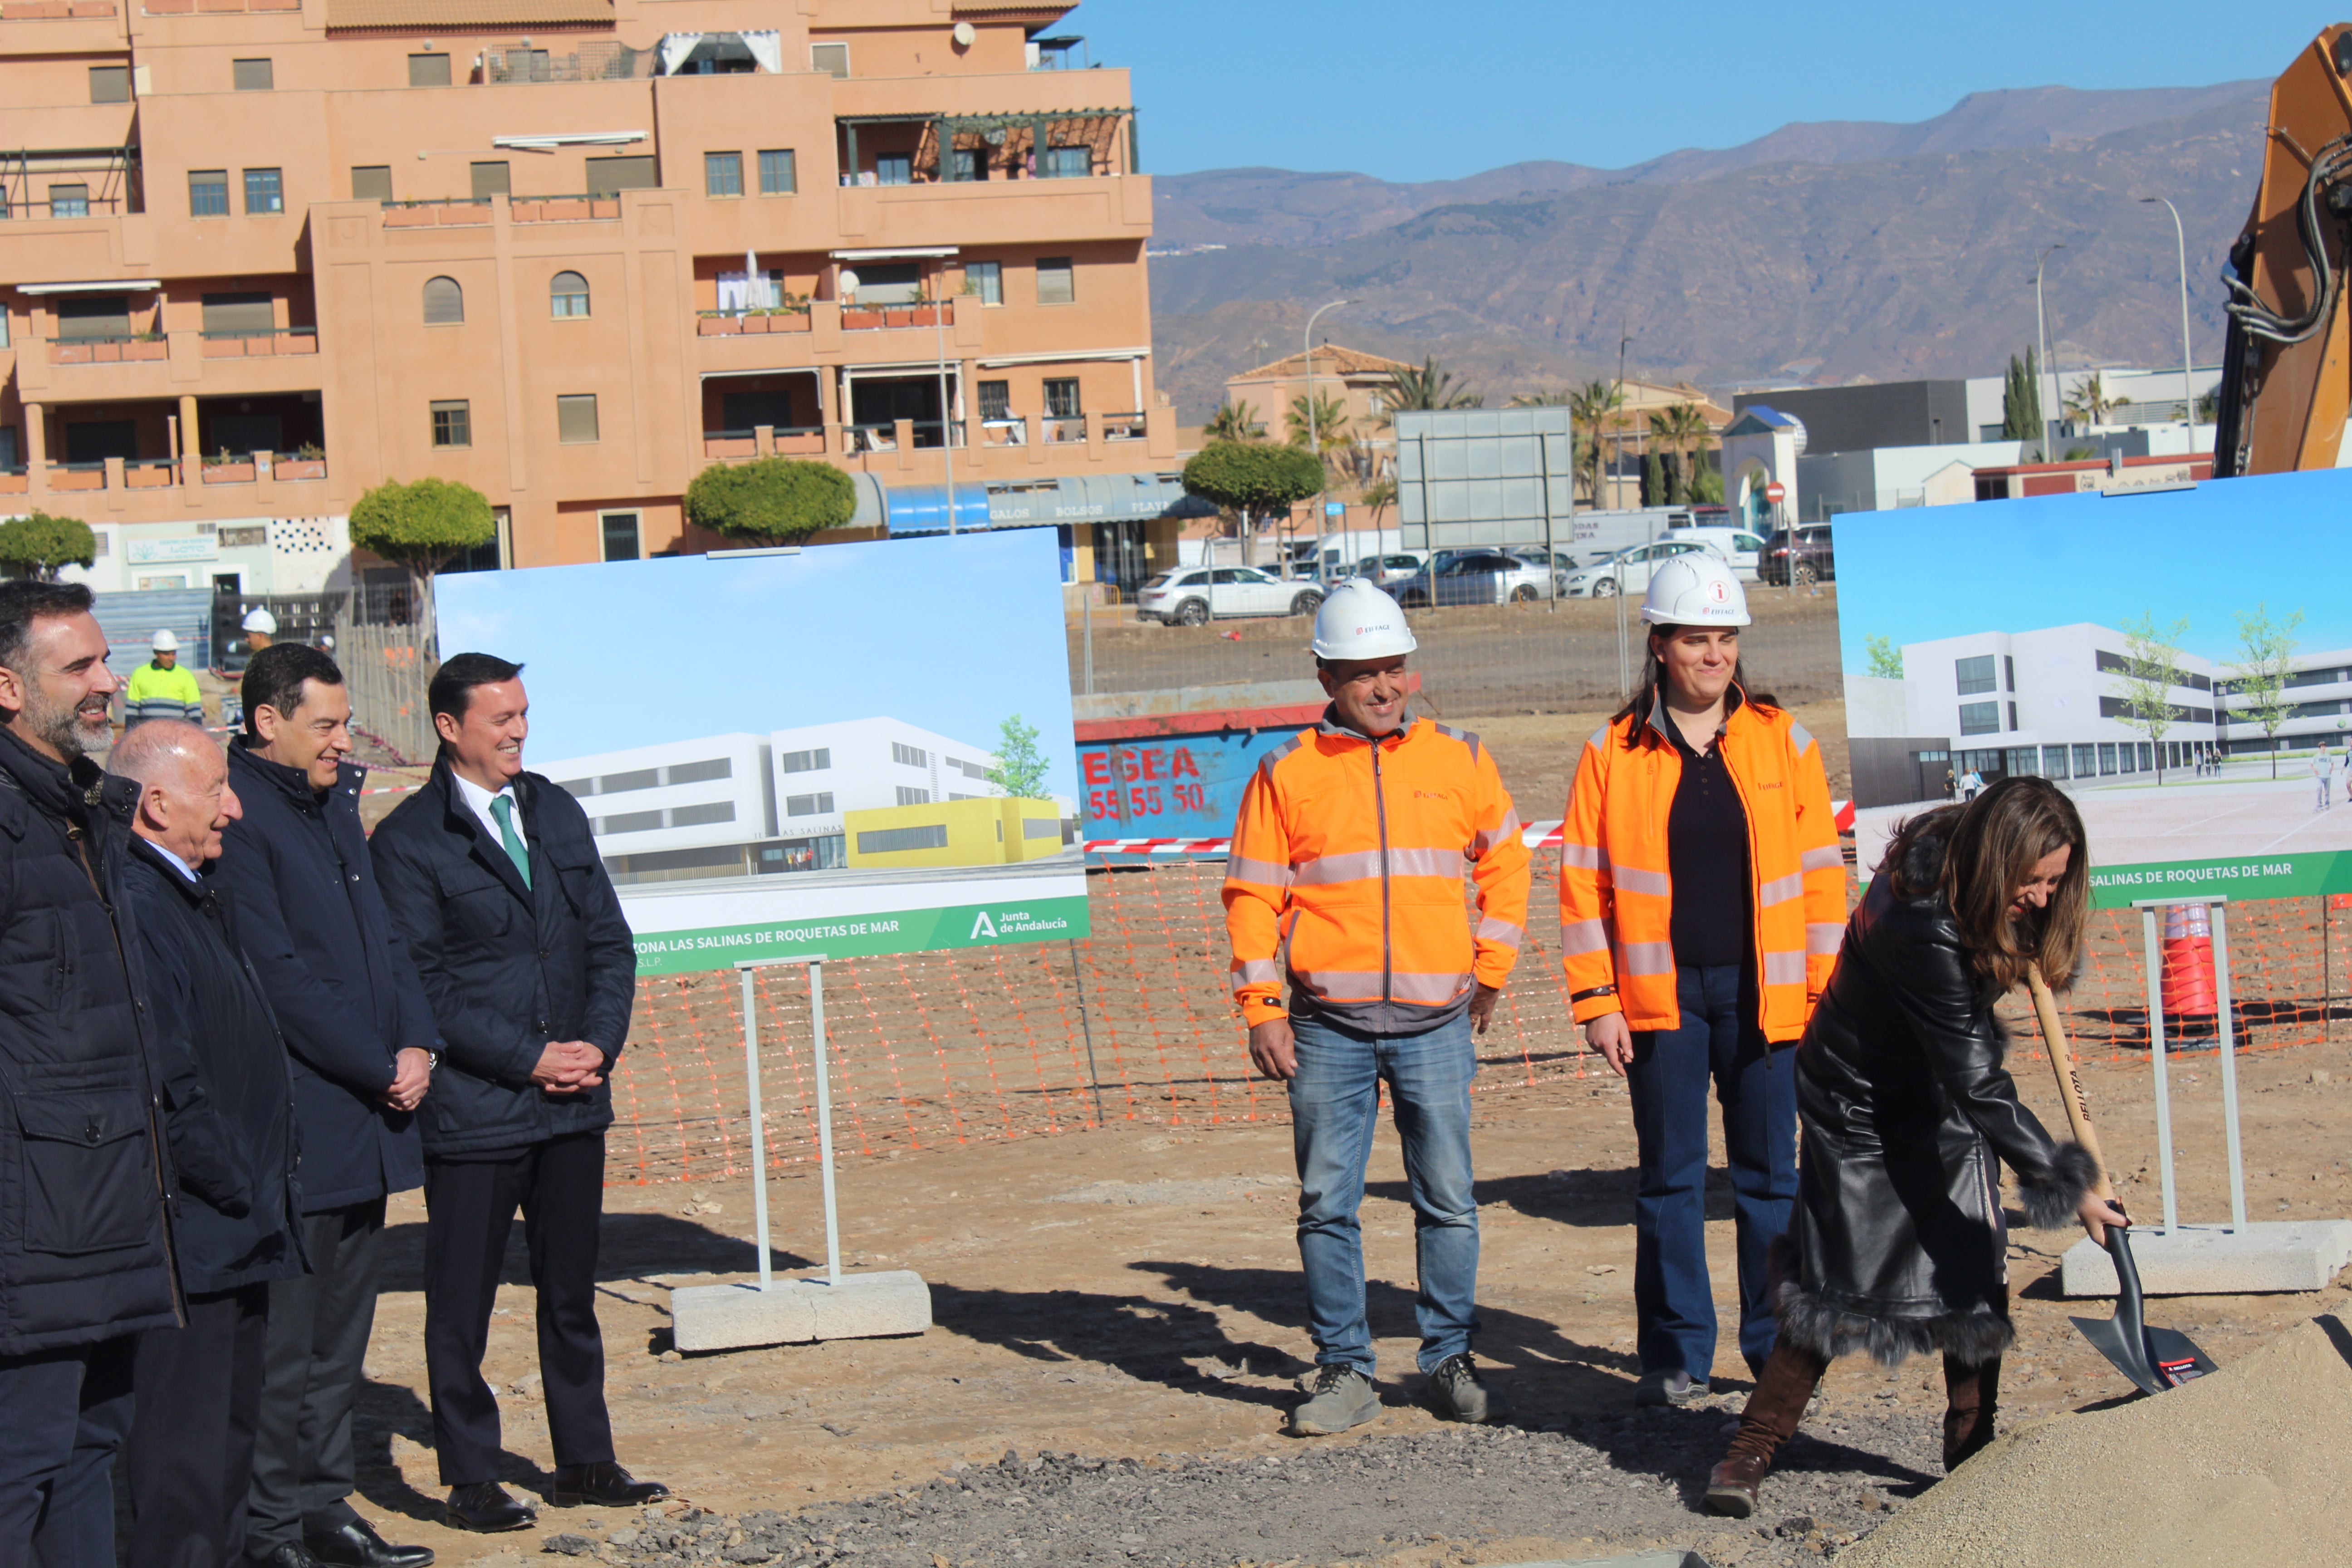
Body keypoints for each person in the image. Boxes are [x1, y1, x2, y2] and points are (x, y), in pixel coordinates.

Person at [1703, 777, 2125, 1518]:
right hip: (1857, 1104)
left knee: (1974, 1261)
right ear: (1997, 864)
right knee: (1832, 1281)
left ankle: (1972, 1459)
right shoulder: (1919, 918)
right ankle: (1746, 1453)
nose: (2041, 896)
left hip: (1938, 1087)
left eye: (2055, 881)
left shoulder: (1975, 860)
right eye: (2030, 882)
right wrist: (2069, 1183)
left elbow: (1965, 1069)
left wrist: (2032, 922)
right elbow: (1978, 1083)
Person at [1223, 581, 1532, 1436]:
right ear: (1325, 676)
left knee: (1448, 1199)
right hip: (1326, 1028)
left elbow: (1506, 865)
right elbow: (1251, 896)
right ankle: (1341, 1369)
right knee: (1326, 1204)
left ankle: (1445, 1359)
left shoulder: (1461, 759)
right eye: (1363, 673)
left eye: (1394, 668)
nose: (1384, 686)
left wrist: (1491, 968)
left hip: (1437, 1023)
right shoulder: (1284, 774)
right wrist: (1261, 1007)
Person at [370, 655, 667, 1531]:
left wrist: (594, 1048)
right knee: (460, 1305)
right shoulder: (409, 842)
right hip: (473, 1113)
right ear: (449, 726)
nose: (518, 730)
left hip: (574, 1102)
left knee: (570, 1292)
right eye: (499, 717)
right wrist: (528, 1058)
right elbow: (420, 985)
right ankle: (469, 1475)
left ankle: (583, 1459)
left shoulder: (556, 810)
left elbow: (610, 945)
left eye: (524, 713)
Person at [1559, 554, 1846, 1407]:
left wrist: (1820, 992)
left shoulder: (1781, 739)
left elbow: (1823, 876)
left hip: (1768, 1001)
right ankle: (1675, 1353)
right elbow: (1583, 884)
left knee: (1770, 1182)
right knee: (1670, 1181)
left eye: (1724, 638)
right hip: (1660, 1003)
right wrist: (1596, 1001)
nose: (1712, 655)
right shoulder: (1610, 752)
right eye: (1694, 638)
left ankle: (1774, 1351)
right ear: (1657, 646)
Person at [217, 642, 440, 1568]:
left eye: (344, 723)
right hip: (305, 1123)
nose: (344, 742)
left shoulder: (333, 807)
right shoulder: (240, 816)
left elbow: (384, 938)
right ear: (268, 721)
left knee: (343, 1337)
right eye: (327, 725)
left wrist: (421, 1040)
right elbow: (278, 974)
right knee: (287, 1346)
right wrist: (376, 1062)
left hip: (368, 1120)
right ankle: (270, 1530)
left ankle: (323, 1507)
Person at [0, 582, 181, 1565]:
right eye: (81, 668)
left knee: (88, 1450)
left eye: (105, 662)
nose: (109, 685)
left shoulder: (80, 815)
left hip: (109, 1210)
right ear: (6, 687)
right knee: (20, 1461)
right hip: (32, 1233)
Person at [114, 720, 306, 1568]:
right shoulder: (141, 903)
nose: (234, 806)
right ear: (155, 803)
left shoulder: (191, 891)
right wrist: (232, 1181)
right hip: (193, 1237)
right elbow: (170, 1076)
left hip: (238, 1231)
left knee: (228, 1449)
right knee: (182, 1470)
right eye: (216, 789)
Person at [126, 627, 206, 729]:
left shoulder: (186, 676)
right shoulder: (139, 674)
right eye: (167, 654)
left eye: (174, 653)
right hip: (147, 734)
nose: (172, 658)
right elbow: (132, 710)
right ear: (156, 653)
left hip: (175, 734)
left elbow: (194, 712)